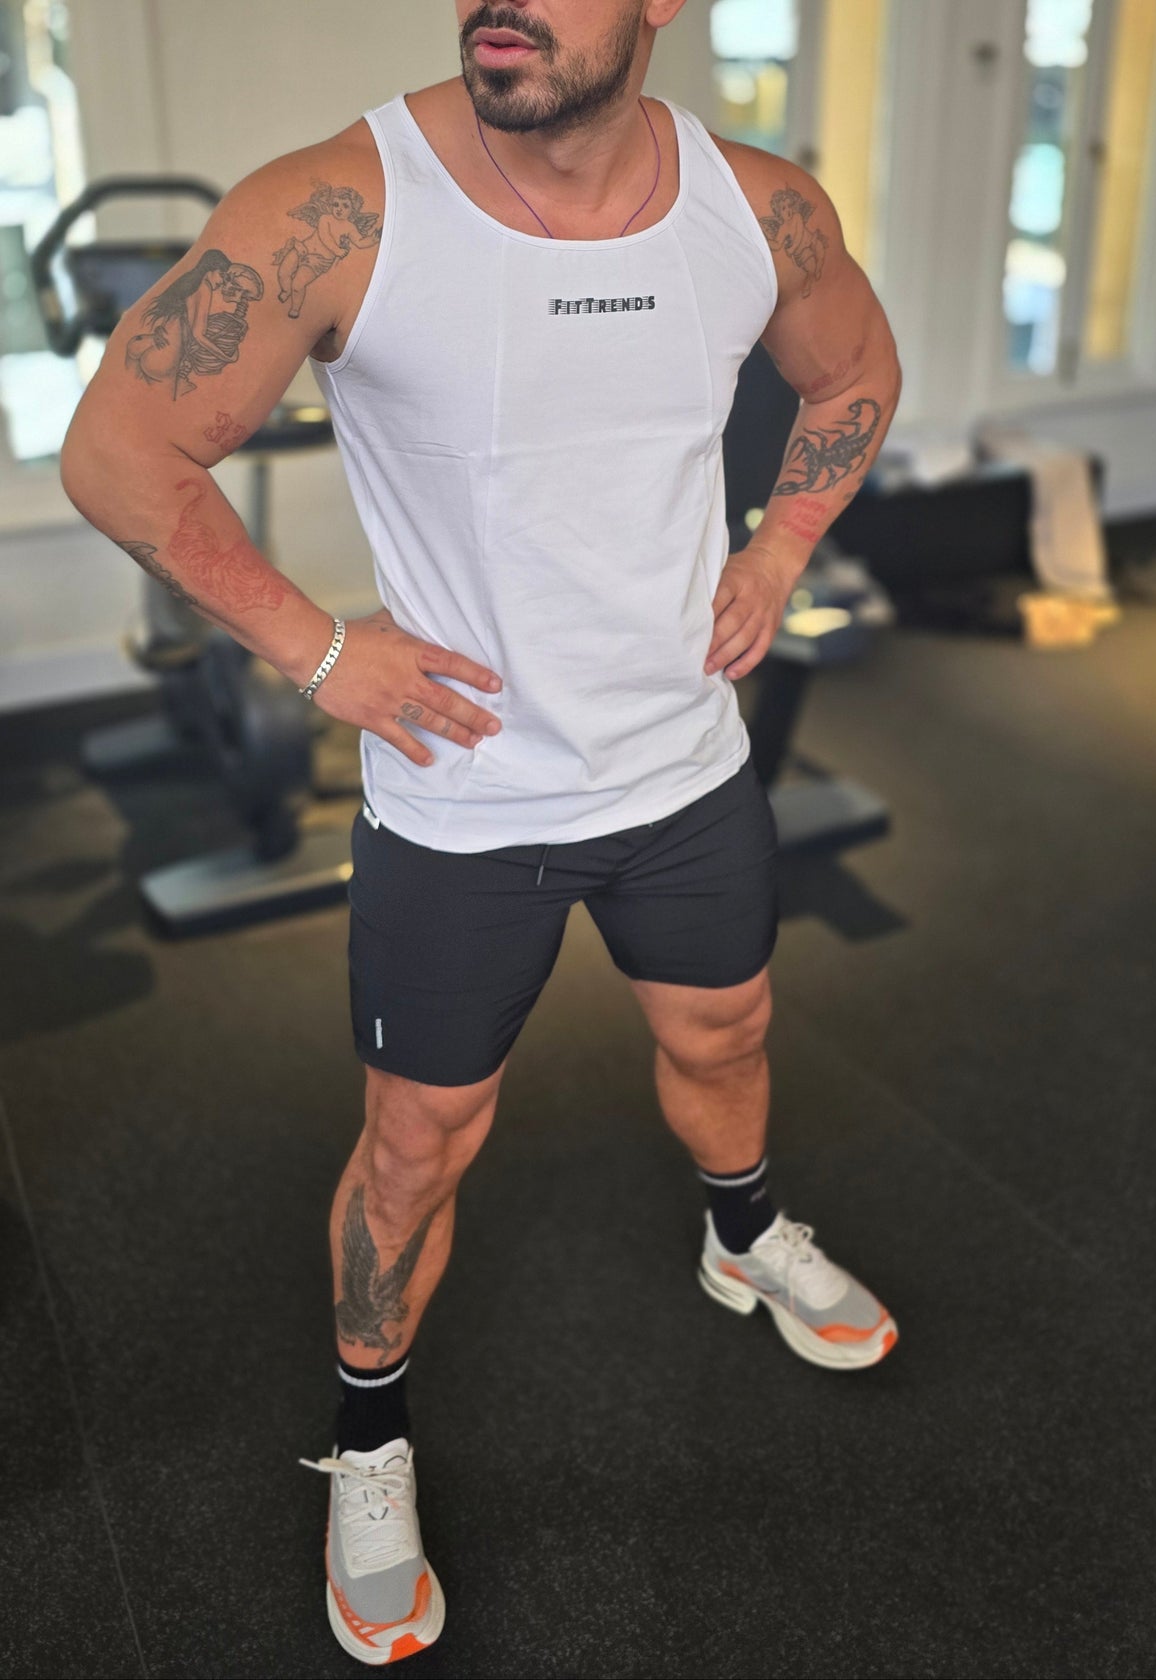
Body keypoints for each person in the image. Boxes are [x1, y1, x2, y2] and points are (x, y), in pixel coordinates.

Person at [61, 1, 904, 1665]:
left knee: (727, 1029)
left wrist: (781, 546)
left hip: (683, 770)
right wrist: (316, 647)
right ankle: (368, 1439)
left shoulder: (761, 206)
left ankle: (746, 1235)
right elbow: (117, 448)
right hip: (465, 802)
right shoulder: (340, 210)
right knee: (416, 1144)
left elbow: (857, 371)